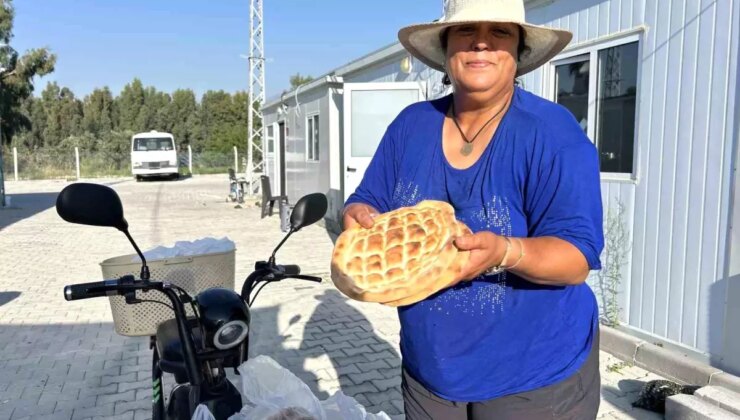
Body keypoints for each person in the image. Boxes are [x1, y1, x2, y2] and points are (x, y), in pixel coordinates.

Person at [341, 0, 605, 419]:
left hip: (532, 378)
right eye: (466, 31)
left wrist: (503, 253)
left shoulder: (552, 133)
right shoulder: (411, 126)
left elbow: (575, 258)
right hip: (429, 374)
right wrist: (358, 213)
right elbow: (369, 198)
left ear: (518, 52)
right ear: (446, 48)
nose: (481, 41)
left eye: (499, 32)